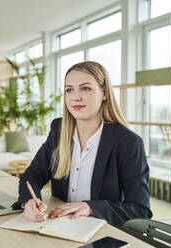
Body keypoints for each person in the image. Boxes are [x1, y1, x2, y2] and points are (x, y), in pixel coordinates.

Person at [12, 61, 152, 227]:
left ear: (104, 93)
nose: (76, 96)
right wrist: (29, 203)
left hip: (101, 231)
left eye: (85, 88)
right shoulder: (59, 130)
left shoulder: (128, 142)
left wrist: (91, 207)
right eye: (69, 90)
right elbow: (32, 175)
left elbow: (140, 210)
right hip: (59, 226)